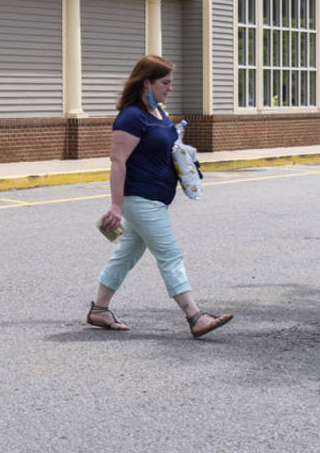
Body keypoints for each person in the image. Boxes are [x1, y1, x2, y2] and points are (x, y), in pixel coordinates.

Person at [87, 55, 232, 339]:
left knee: (127, 254)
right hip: (140, 198)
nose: (170, 88)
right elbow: (118, 162)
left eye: (171, 82)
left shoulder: (159, 113)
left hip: (154, 198)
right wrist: (116, 205)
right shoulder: (130, 116)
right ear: (147, 83)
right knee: (170, 254)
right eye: (165, 83)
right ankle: (195, 316)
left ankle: (99, 309)